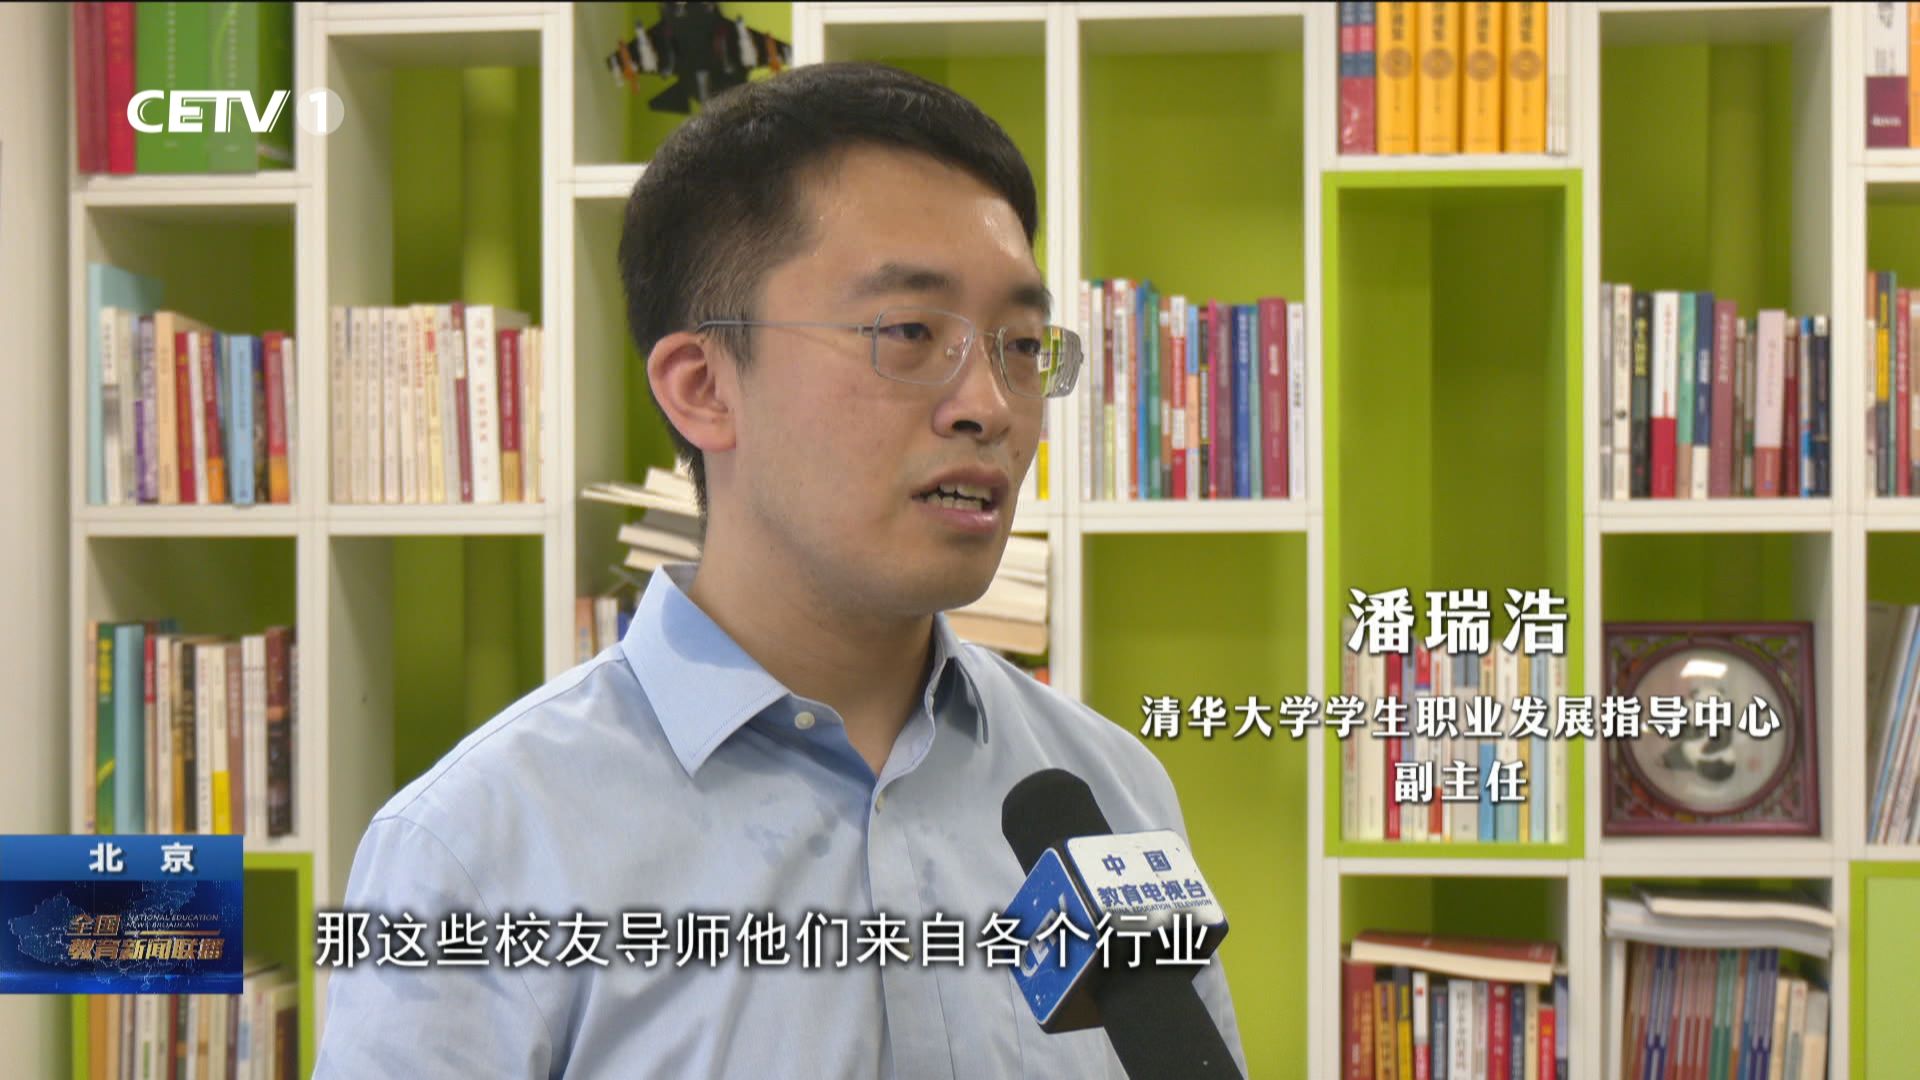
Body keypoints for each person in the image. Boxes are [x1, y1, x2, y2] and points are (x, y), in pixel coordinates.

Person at [314, 61, 1247, 1079]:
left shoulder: (1110, 788)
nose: (990, 405)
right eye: (909, 332)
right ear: (704, 387)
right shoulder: (477, 848)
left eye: (1021, 345)